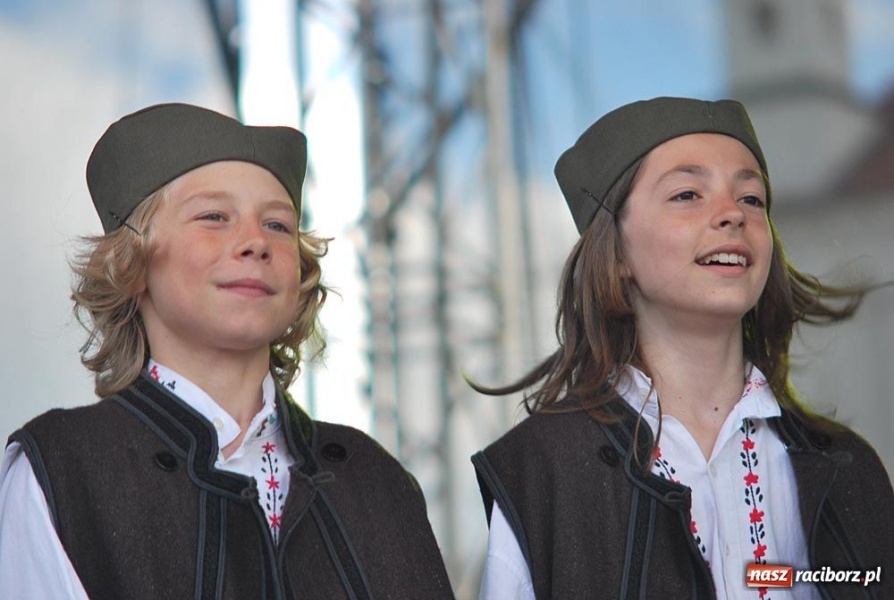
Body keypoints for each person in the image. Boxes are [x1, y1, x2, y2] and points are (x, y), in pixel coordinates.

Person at [0, 103, 453, 599]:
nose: (256, 241)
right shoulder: (63, 473)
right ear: (131, 261)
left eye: (278, 225)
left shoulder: (375, 478)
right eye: (214, 216)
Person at [471, 97, 894, 599]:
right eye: (688, 194)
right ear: (616, 250)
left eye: (752, 199)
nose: (732, 215)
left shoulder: (848, 467)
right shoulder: (543, 472)